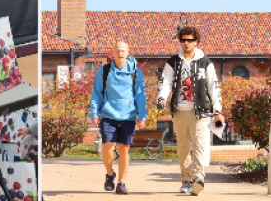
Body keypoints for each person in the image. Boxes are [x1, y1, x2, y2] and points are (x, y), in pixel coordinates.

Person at [157, 26, 224, 196]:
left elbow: (213, 86)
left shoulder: (205, 62)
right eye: (183, 40)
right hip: (180, 110)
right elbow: (165, 81)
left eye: (190, 40)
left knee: (200, 144)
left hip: (201, 110)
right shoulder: (173, 61)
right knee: (183, 146)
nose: (186, 43)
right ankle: (186, 179)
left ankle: (199, 178)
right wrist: (162, 97)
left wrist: (217, 110)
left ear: (196, 42)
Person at [89, 41, 147, 195]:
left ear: (128, 52)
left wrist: (142, 115)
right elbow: (97, 93)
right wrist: (94, 113)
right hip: (108, 115)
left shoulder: (135, 72)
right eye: (118, 51)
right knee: (107, 147)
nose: (120, 53)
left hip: (128, 116)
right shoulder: (105, 71)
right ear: (113, 52)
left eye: (123, 51)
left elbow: (140, 95)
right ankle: (110, 174)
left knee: (124, 149)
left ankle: (121, 183)